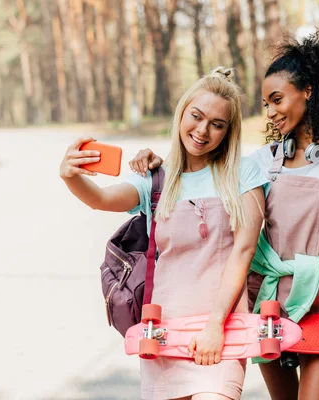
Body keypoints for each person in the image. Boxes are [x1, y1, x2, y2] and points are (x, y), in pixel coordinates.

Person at [128, 33, 319, 400]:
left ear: (309, 91)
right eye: (266, 104)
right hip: (267, 302)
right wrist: (156, 164)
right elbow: (201, 166)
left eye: (277, 100)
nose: (270, 113)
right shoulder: (260, 164)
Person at [60, 67, 268, 400]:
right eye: (196, 116)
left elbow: (243, 251)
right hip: (163, 333)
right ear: (181, 113)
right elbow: (100, 199)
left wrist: (215, 324)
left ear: (228, 132)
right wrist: (70, 176)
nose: (203, 130)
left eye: (217, 125)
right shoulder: (158, 179)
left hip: (223, 330)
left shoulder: (245, 173)